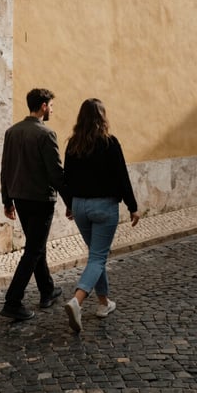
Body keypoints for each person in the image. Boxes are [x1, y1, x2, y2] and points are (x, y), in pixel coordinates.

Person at [63, 98, 140, 332]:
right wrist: (132, 206)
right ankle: (77, 300)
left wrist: (70, 205)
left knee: (96, 255)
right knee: (97, 257)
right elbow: (121, 176)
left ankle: (104, 303)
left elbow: (67, 178)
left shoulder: (73, 144)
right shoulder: (109, 143)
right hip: (104, 207)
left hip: (80, 207)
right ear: (102, 118)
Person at [0, 88, 71, 321]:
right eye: (51, 105)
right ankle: (13, 301)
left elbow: (5, 168)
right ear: (43, 106)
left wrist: (6, 200)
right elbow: (56, 173)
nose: (51, 109)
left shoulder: (12, 132)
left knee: (36, 245)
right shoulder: (45, 134)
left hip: (20, 198)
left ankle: (47, 291)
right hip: (41, 199)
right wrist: (70, 201)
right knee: (34, 250)